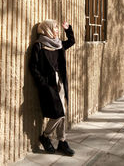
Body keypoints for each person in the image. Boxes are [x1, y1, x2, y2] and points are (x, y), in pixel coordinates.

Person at [29, 19, 75, 156]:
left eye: (56, 28)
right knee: (58, 113)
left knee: (62, 112)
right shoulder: (39, 46)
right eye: (54, 28)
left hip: (60, 80)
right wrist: (42, 83)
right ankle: (45, 136)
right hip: (48, 84)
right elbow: (33, 67)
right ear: (47, 30)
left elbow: (71, 42)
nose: (57, 30)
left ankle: (62, 141)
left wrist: (68, 30)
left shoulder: (58, 44)